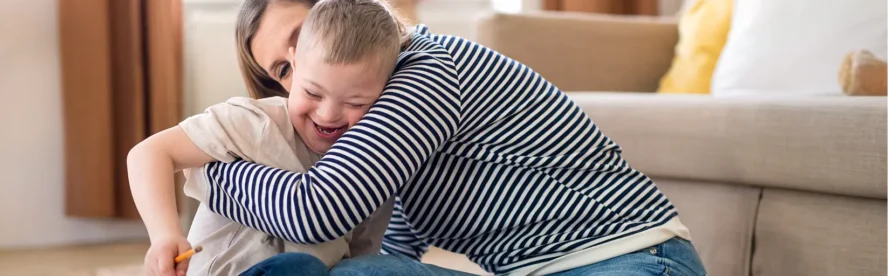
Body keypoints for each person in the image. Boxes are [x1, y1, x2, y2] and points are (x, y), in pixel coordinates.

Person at [201, 0, 711, 275]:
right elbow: (397, 242)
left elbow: (317, 213)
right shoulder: (377, 112)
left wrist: (205, 165)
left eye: (300, 37)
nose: (304, 73)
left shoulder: (424, 70)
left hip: (632, 261)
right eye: (283, 69)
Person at [125, 0, 410, 274]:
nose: (328, 114)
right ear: (295, 66)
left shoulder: (374, 166)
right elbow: (149, 153)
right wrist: (164, 235)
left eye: (356, 102)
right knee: (300, 266)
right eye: (312, 92)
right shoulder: (258, 121)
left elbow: (359, 258)